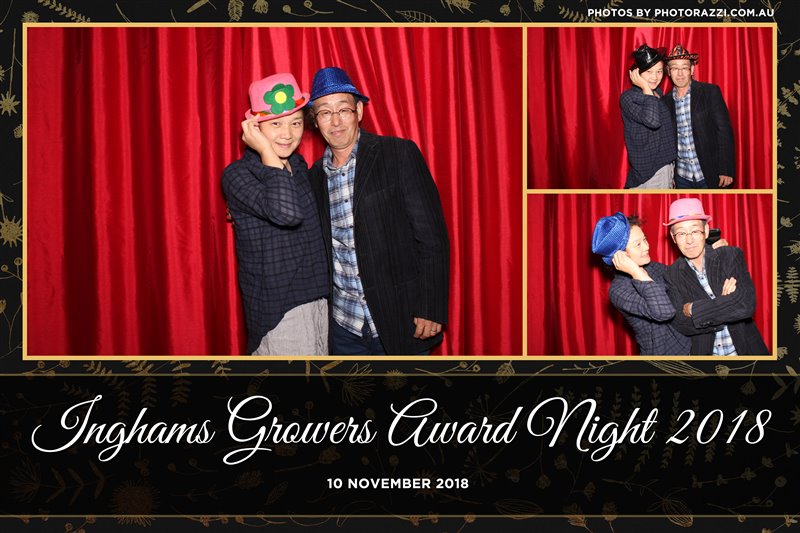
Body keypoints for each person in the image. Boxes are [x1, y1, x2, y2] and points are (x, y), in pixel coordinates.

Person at [306, 67, 449, 355]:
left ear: (359, 111)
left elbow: (432, 237)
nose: (335, 120)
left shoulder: (398, 154)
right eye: (325, 112)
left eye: (343, 109)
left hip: (402, 319)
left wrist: (430, 306)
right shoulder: (313, 178)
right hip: (343, 328)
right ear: (316, 121)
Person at [222, 73, 329, 355]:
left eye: (296, 123)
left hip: (318, 298)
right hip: (280, 309)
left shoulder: (299, 166)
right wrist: (266, 152)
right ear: (254, 128)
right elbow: (286, 214)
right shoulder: (237, 174)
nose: (288, 133)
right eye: (275, 123)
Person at [662, 198, 768, 355]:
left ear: (706, 230)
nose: (689, 240)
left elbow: (745, 304)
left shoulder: (729, 255)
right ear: (673, 237)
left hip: (746, 351)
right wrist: (725, 304)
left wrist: (693, 309)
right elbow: (680, 323)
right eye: (681, 233)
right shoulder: (672, 274)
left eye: (695, 231)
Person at [592, 212, 690, 355]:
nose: (646, 246)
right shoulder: (618, 290)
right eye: (638, 244)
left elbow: (684, 276)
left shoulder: (652, 267)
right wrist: (637, 273)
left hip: (690, 348)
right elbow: (664, 312)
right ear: (620, 256)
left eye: (644, 239)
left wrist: (709, 250)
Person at [663, 45, 735, 189]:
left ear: (692, 70)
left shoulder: (710, 92)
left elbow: (724, 131)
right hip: (681, 177)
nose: (680, 73)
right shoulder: (664, 102)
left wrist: (726, 169)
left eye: (684, 68)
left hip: (710, 173)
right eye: (675, 68)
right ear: (669, 72)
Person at [620, 44, 677, 189]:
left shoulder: (658, 93)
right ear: (637, 74)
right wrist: (645, 87)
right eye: (649, 71)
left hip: (666, 168)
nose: (655, 77)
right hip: (650, 173)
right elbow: (653, 121)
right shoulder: (629, 97)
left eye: (659, 71)